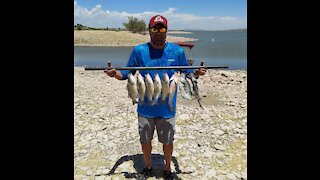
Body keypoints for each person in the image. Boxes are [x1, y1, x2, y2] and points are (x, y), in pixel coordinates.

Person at [105, 15, 206, 179]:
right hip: (145, 108)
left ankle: (167, 169)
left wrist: (197, 73)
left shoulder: (177, 51)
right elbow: (125, 73)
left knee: (167, 141)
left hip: (167, 108)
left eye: (162, 28)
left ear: (166, 30)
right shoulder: (139, 51)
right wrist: (114, 73)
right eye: (155, 28)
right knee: (145, 141)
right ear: (149, 30)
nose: (158, 32)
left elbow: (188, 73)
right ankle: (148, 167)